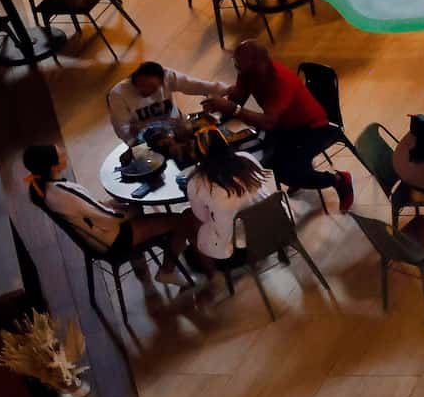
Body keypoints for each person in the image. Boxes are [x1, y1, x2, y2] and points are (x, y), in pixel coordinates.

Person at [211, 39, 352, 213]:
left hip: (312, 128)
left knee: (286, 171)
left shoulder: (280, 82)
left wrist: (232, 109)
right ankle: (303, 174)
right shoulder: (249, 72)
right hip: (284, 126)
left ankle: (338, 180)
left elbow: (267, 122)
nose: (238, 71)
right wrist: (215, 117)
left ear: (258, 65)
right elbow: (239, 97)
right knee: (264, 157)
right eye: (237, 67)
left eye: (240, 68)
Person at [23, 142, 196, 281]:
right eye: (60, 154)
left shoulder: (48, 189)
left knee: (135, 206)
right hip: (114, 239)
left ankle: (141, 259)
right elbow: (108, 219)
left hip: (101, 236)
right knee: (182, 220)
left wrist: (114, 205)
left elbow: (89, 209)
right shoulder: (63, 192)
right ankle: (167, 271)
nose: (63, 151)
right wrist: (130, 211)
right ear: (54, 166)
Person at [182, 131, 276, 289]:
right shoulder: (246, 158)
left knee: (190, 220)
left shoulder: (197, 182)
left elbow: (203, 219)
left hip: (241, 250)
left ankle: (214, 278)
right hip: (276, 232)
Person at [106, 59, 227, 144]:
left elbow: (195, 85)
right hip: (147, 140)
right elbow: (120, 127)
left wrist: (225, 89)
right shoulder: (118, 94)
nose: (146, 90)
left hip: (178, 128)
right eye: (141, 85)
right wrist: (133, 140)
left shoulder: (167, 76)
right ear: (135, 78)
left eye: (152, 87)